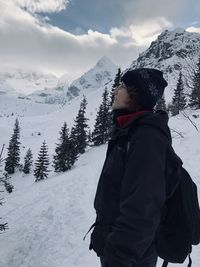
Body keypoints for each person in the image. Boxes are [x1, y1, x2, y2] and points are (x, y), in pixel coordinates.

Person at [88, 68, 177, 267]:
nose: (114, 91)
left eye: (121, 87)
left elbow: (141, 210)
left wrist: (118, 257)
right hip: (120, 246)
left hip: (132, 256)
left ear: (134, 95)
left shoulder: (146, 138)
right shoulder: (129, 132)